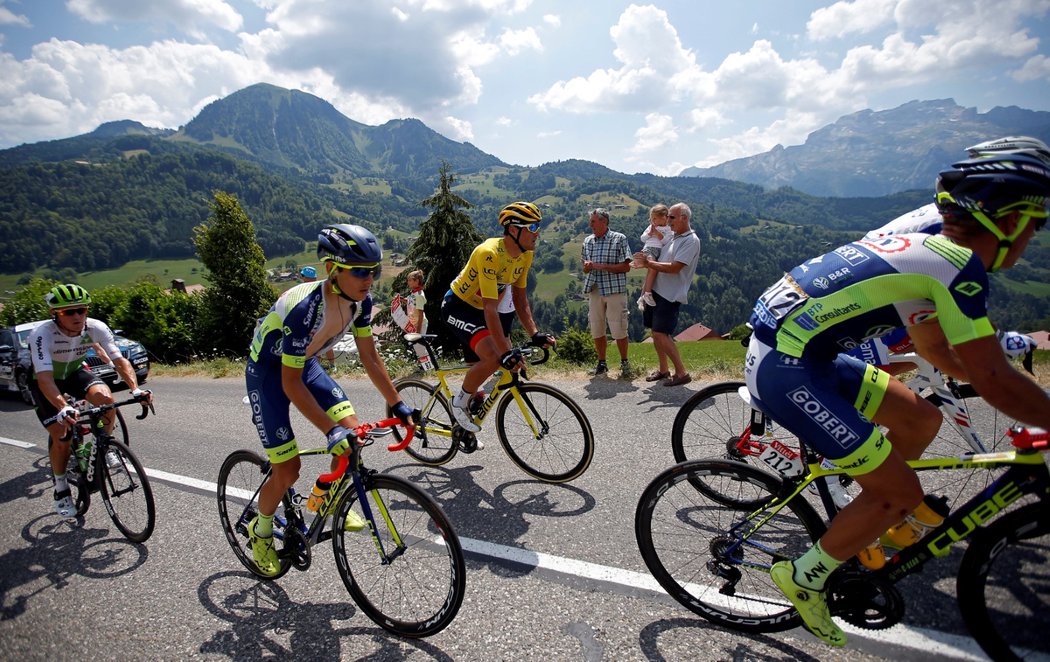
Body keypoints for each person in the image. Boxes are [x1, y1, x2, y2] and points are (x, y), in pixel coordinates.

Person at [743, 153, 1050, 647]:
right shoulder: (956, 263)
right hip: (786, 368)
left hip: (808, 355)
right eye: (1036, 225)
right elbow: (990, 377)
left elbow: (936, 351)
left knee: (921, 420)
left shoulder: (932, 247)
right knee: (902, 493)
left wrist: (1010, 390)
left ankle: (869, 506)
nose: (1035, 237)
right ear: (1010, 220)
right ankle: (804, 577)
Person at [245, 223, 417, 577]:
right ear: (333, 270)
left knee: (354, 434)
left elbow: (370, 357)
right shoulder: (305, 309)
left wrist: (396, 403)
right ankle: (259, 532)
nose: (369, 279)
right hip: (269, 374)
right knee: (288, 469)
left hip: (302, 365)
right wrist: (328, 431)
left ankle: (327, 492)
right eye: (359, 271)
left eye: (373, 270)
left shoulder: (362, 301)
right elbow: (289, 384)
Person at [847, 136, 1050, 372]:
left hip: (881, 288)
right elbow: (961, 305)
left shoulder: (965, 211)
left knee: (930, 355)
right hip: (868, 296)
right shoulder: (964, 223)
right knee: (882, 378)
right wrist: (1001, 341)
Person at [29, 284, 152, 517]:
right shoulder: (42, 335)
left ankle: (105, 446)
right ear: (54, 314)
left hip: (74, 373)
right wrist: (63, 406)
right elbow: (45, 378)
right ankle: (61, 487)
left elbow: (119, 360)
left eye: (81, 310)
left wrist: (135, 390)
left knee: (106, 399)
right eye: (68, 312)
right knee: (62, 437)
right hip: (45, 381)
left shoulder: (95, 327)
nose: (77, 316)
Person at [441, 201, 555, 435]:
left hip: (481, 311)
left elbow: (520, 300)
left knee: (493, 365)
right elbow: (490, 309)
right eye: (532, 227)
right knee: (495, 357)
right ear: (514, 230)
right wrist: (504, 353)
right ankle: (458, 403)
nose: (537, 233)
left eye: (538, 227)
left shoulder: (524, 255)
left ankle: (464, 430)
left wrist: (534, 333)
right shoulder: (489, 253)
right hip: (458, 307)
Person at [633, 203, 701, 386]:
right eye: (668, 217)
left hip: (670, 295)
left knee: (661, 333)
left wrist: (648, 264)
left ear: (684, 218)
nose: (668, 220)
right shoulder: (673, 237)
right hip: (657, 291)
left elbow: (675, 268)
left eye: (672, 217)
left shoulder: (691, 240)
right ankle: (664, 370)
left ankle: (681, 373)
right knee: (656, 333)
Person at [581, 207, 632, 377]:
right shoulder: (587, 241)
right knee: (597, 327)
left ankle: (624, 362)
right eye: (591, 221)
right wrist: (588, 268)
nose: (591, 225)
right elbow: (585, 268)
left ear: (604, 221)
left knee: (619, 328)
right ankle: (602, 363)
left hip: (614, 290)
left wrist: (599, 266)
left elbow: (626, 266)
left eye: (594, 221)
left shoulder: (619, 239)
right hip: (595, 289)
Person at [636, 204, 672, 311]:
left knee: (652, 272)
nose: (653, 221)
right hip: (649, 249)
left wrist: (658, 234)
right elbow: (642, 238)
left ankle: (642, 297)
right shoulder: (651, 227)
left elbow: (667, 241)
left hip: (660, 252)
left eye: (655, 218)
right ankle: (647, 293)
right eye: (652, 219)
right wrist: (650, 234)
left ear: (664, 217)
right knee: (652, 268)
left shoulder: (669, 229)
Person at [300, 265, 337, 369]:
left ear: (307, 277)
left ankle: (322, 367)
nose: (302, 277)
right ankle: (330, 366)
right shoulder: (322, 287)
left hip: (316, 319)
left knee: (319, 343)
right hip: (320, 319)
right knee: (323, 343)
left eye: (303, 275)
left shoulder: (308, 289)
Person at [406, 269, 428, 334]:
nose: (408, 282)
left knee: (419, 344)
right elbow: (411, 302)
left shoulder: (419, 295)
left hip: (420, 325)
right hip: (413, 324)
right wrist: (401, 299)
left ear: (417, 281)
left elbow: (421, 314)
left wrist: (418, 332)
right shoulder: (414, 293)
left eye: (410, 280)